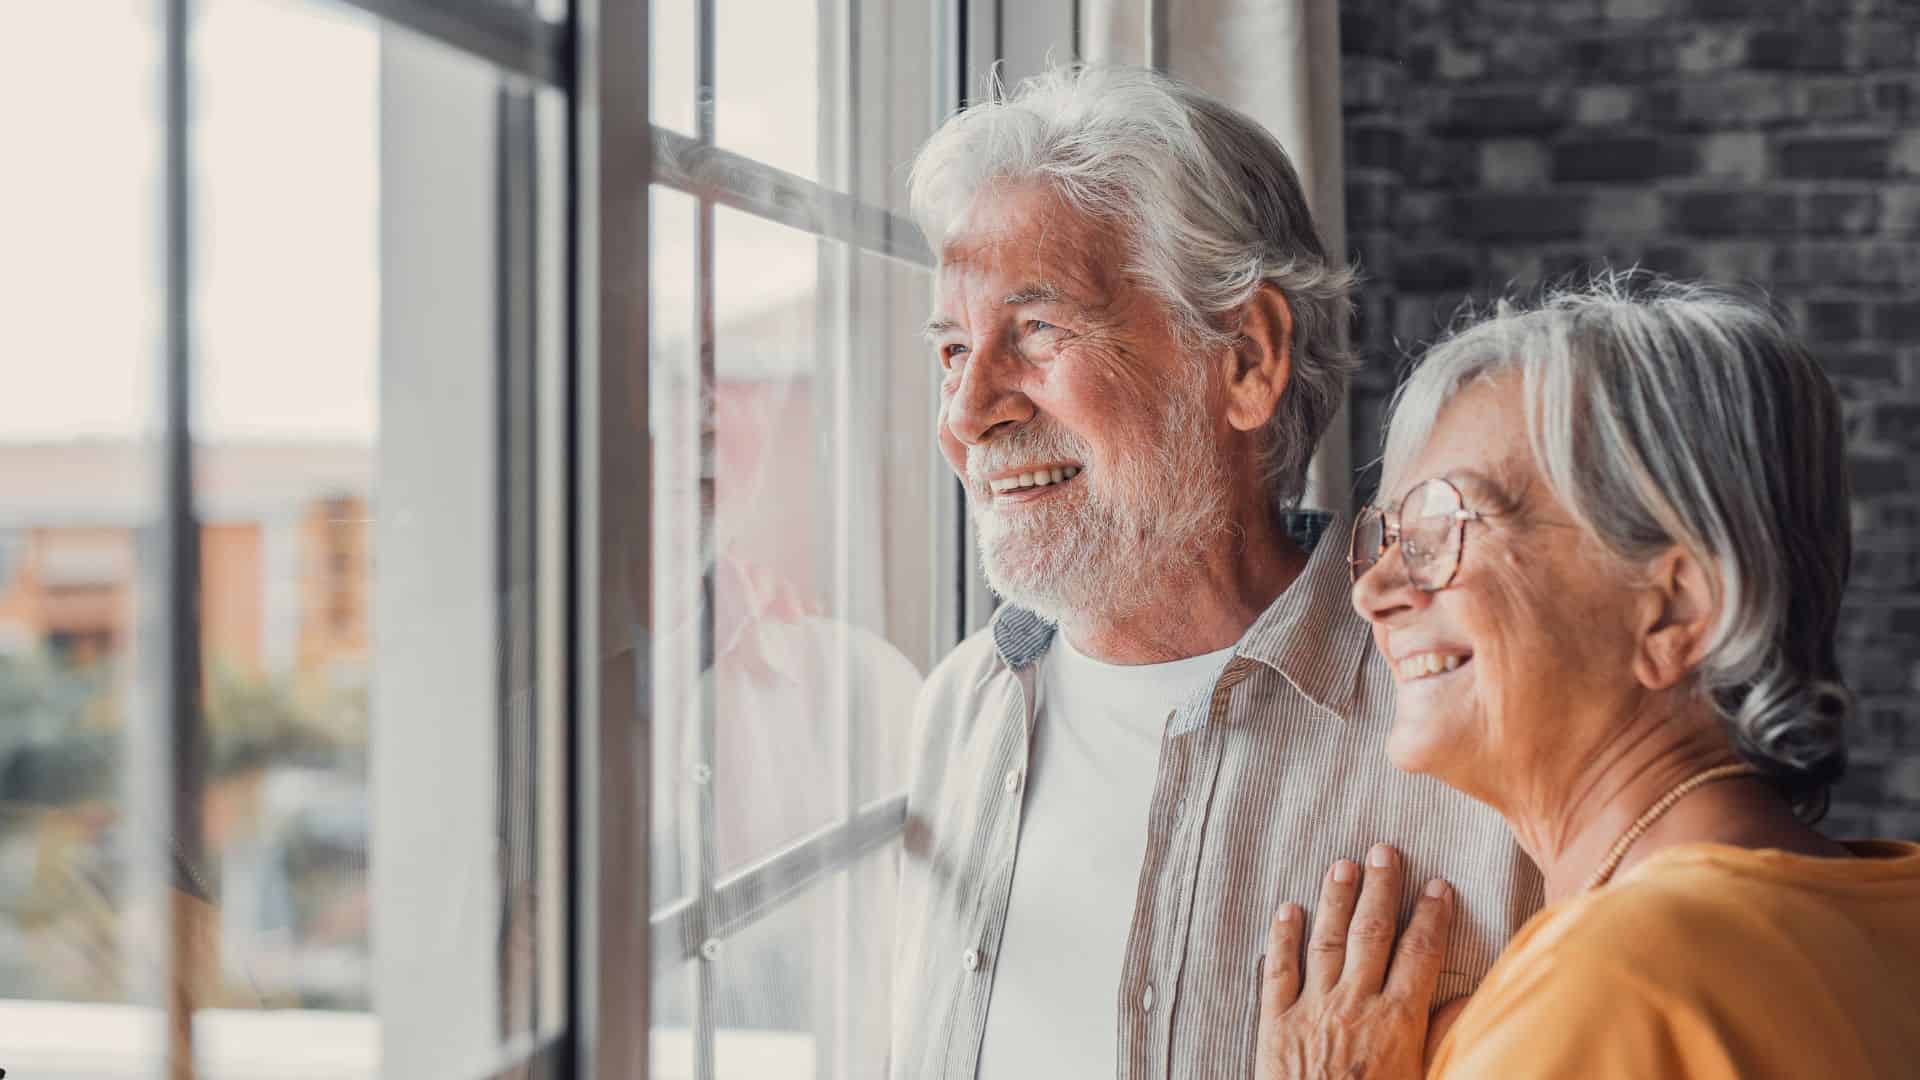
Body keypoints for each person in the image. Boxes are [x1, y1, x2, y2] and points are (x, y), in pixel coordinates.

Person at [889, 64, 1539, 1079]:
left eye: (1037, 330)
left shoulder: (1479, 743)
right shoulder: (955, 715)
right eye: (951, 349)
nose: (968, 415)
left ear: (1244, 359)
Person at [1253, 277, 1920, 1078]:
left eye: (1443, 528)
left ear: (1674, 609)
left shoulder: (1617, 985)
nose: (1374, 590)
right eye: (1389, 536)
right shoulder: (1879, 917)